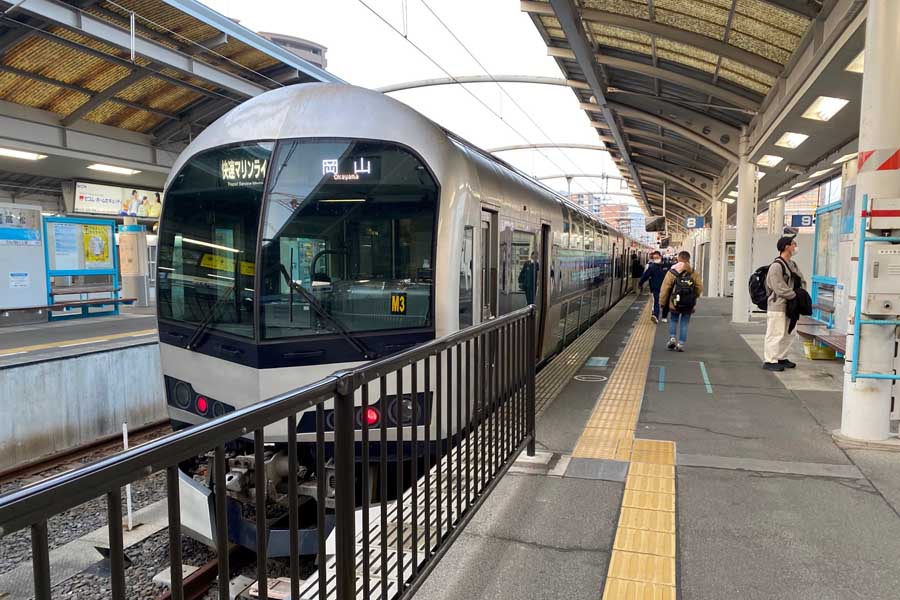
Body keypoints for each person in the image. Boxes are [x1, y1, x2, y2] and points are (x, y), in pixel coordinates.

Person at [763, 236, 807, 371]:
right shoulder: (776, 266)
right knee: (775, 332)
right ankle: (770, 360)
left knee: (788, 333)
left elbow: (801, 280)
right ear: (786, 246)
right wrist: (794, 295)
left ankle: (781, 357)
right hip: (778, 305)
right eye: (794, 244)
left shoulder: (792, 264)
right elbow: (778, 287)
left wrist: (801, 294)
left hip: (791, 306)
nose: (795, 247)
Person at [659, 250, 703, 352]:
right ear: (688, 259)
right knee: (684, 322)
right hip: (688, 303)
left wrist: (662, 302)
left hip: (674, 302)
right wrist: (694, 297)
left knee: (674, 320)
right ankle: (681, 344)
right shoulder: (693, 272)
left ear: (678, 258)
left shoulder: (672, 271)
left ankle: (672, 338)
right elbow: (700, 287)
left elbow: (665, 288)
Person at [639, 250, 667, 324]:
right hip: (656, 287)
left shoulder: (666, 266)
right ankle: (656, 316)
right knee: (657, 301)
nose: (656, 259)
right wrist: (640, 283)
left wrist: (640, 283)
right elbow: (645, 276)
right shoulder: (652, 267)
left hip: (665, 287)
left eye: (657, 257)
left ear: (660, 257)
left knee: (664, 302)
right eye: (654, 258)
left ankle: (664, 316)